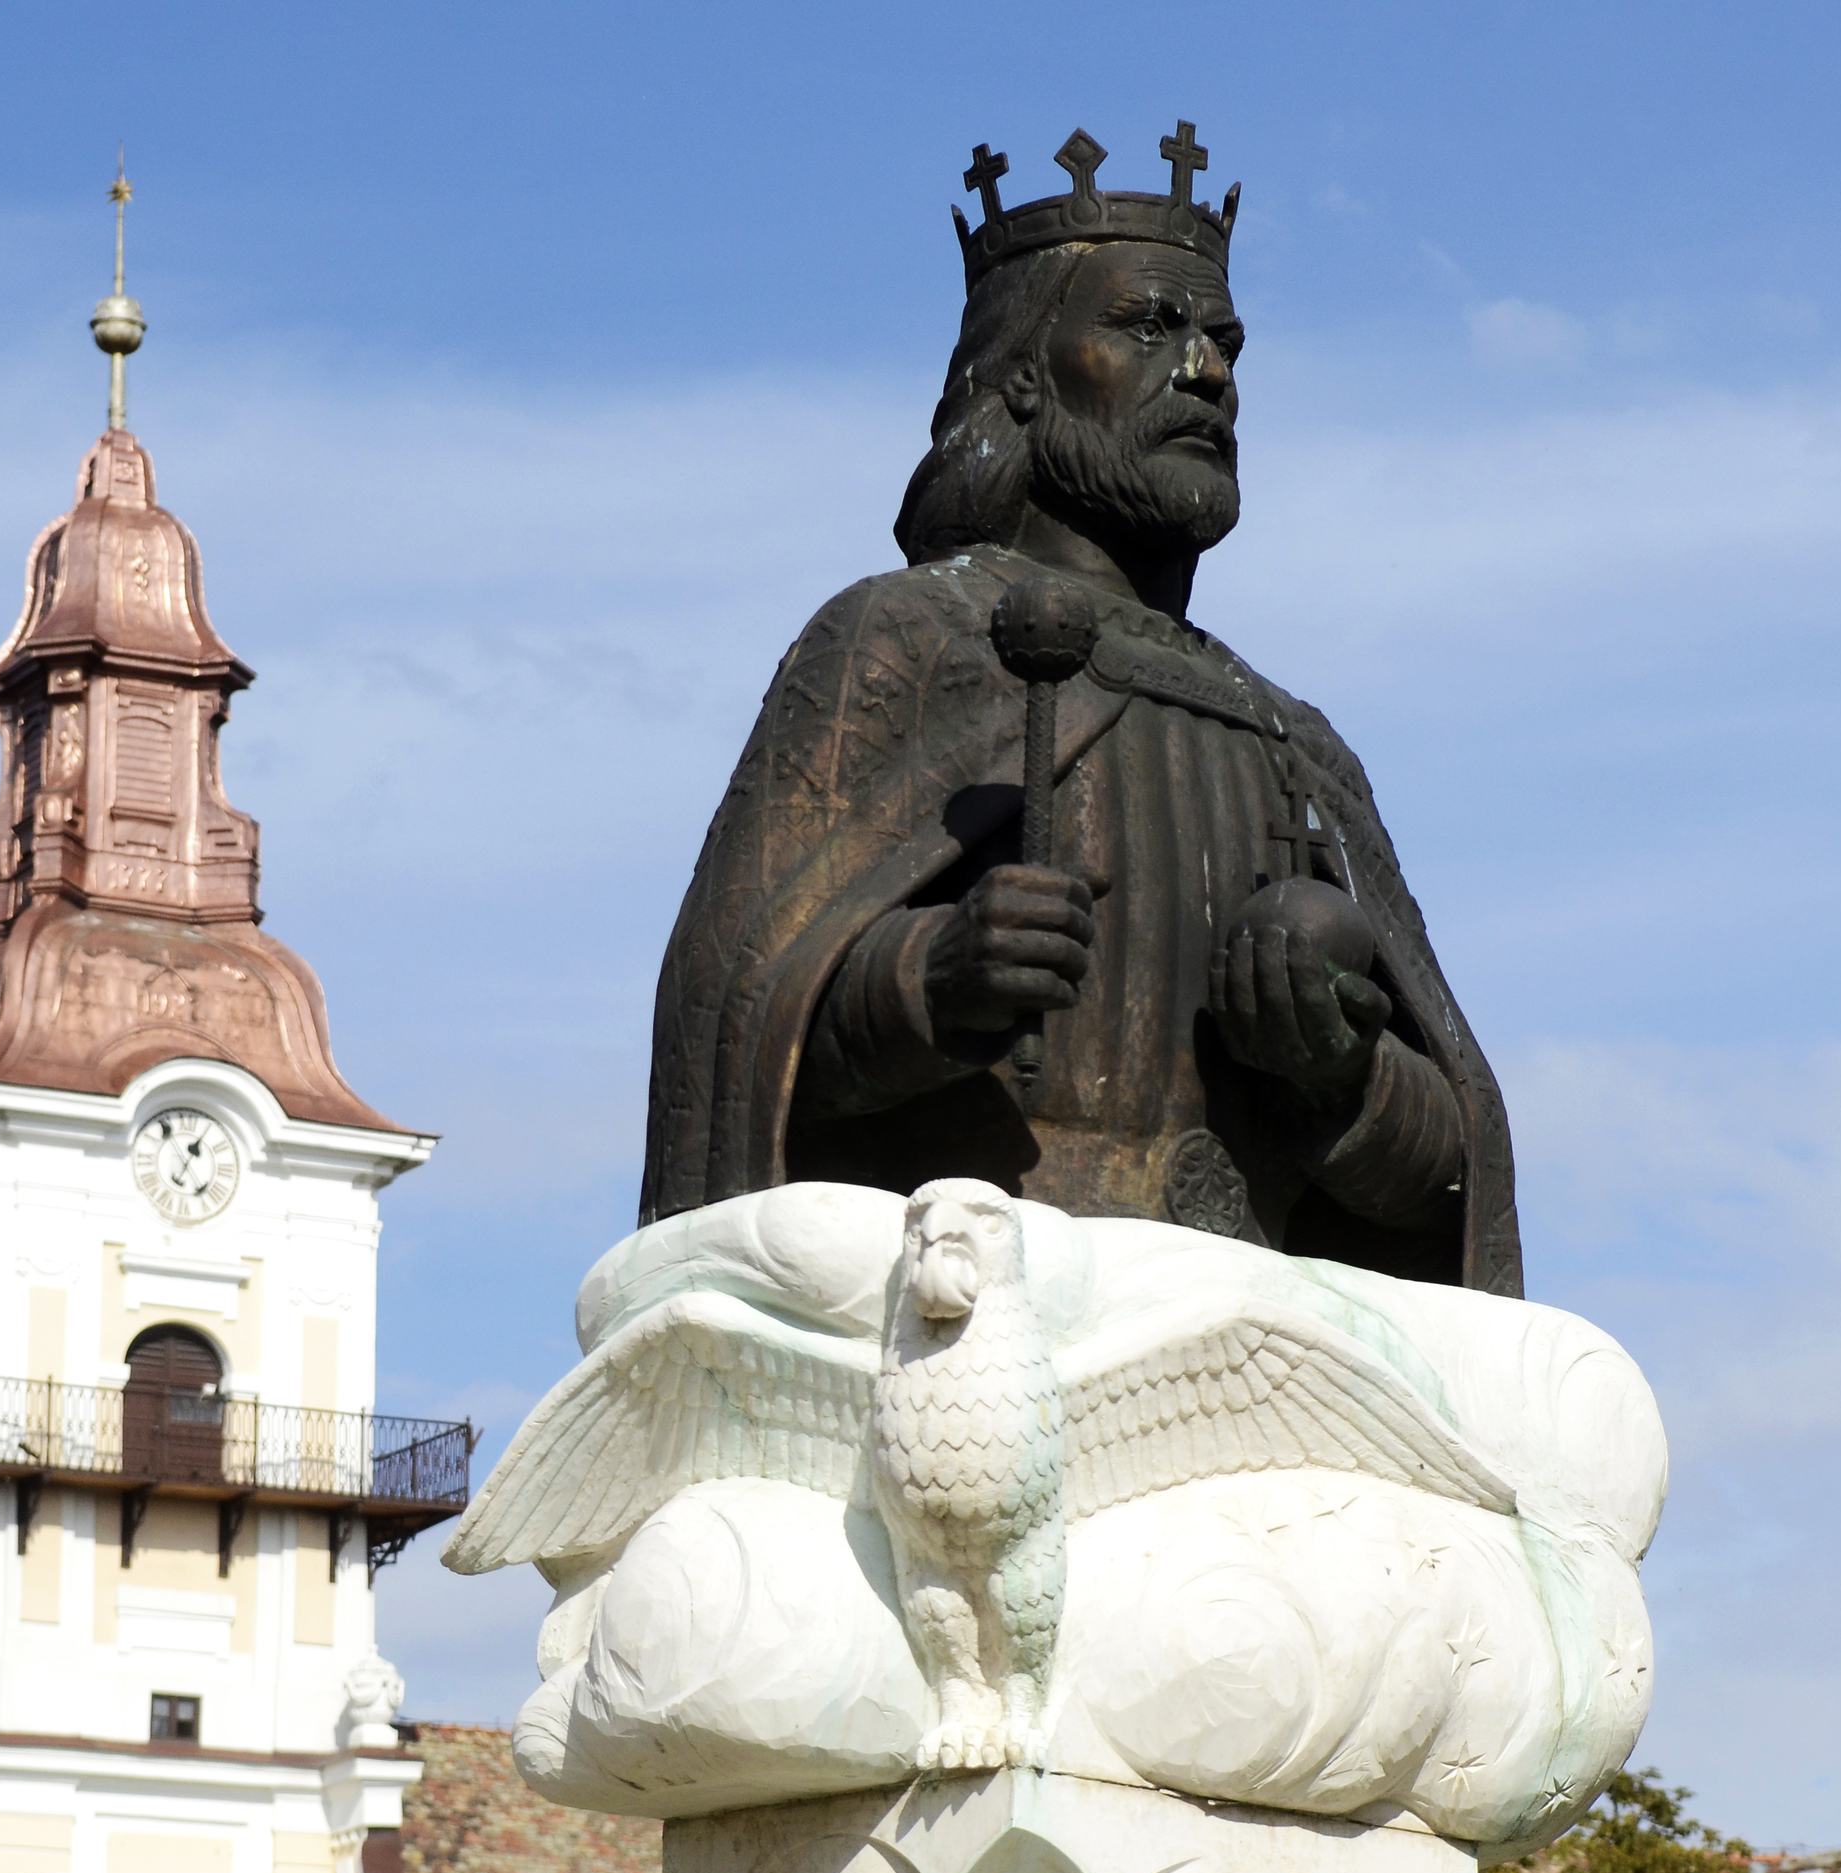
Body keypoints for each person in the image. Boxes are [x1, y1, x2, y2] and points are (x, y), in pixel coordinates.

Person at [642, 128, 1520, 1294]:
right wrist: (933, 977)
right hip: (978, 1286)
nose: (1209, 370)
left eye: (1223, 340)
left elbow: (1450, 1176)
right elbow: (740, 1010)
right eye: (1150, 326)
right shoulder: (899, 638)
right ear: (1021, 374)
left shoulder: (1295, 744)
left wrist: (1335, 1070)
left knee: (1569, 1376)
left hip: (1250, 1316)